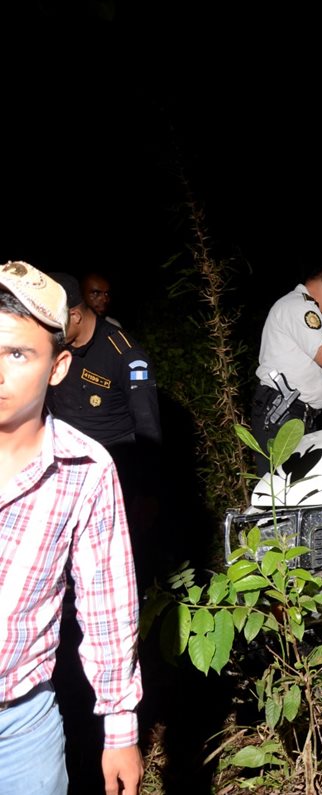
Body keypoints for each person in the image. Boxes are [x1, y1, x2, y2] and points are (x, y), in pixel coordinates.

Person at [0, 260, 143, 794]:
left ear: (56, 365)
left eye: (17, 354)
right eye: (95, 291)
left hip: (20, 724)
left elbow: (107, 602)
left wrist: (121, 726)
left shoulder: (121, 348)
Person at [45, 273, 162, 584]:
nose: (51, 333)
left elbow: (148, 427)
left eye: (55, 325)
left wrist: (148, 491)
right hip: (61, 469)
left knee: (110, 564)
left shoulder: (125, 355)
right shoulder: (56, 347)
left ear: (74, 314)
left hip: (113, 469)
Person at [251, 266, 322, 476]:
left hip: (293, 413)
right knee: (282, 493)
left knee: (297, 489)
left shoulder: (295, 307)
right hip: (283, 411)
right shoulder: (300, 307)